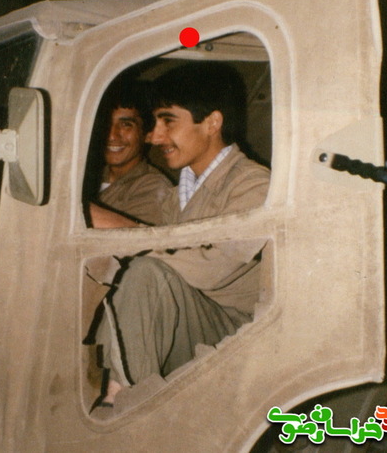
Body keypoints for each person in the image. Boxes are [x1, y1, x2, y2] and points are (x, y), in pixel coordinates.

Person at [87, 63, 271, 408]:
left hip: (233, 329)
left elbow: (211, 268)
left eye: (168, 121)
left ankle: (123, 402)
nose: (156, 137)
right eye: (155, 123)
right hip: (186, 316)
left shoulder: (253, 185)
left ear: (212, 123)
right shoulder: (180, 193)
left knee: (144, 274)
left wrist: (131, 234)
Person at [92, 79, 173, 226]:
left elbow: (135, 237)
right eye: (106, 123)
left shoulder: (153, 186)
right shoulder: (89, 176)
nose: (112, 135)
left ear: (148, 134)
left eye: (126, 125)